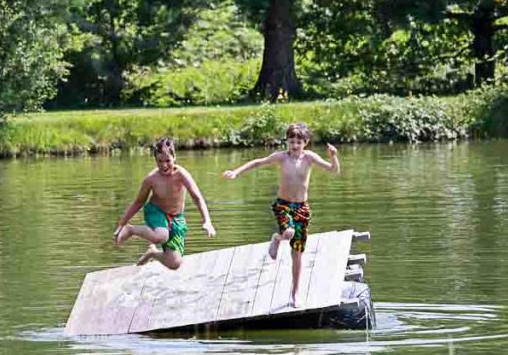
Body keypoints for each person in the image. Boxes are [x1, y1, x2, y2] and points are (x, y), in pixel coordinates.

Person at [222, 123, 340, 307]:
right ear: (287, 141)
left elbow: (333, 170)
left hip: (302, 208)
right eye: (291, 141)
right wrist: (236, 172)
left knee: (297, 253)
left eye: (299, 142)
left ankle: (295, 294)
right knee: (288, 233)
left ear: (305, 142)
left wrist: (334, 158)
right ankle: (277, 238)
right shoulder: (281, 157)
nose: (294, 145)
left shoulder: (309, 158)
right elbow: (257, 162)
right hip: (283, 205)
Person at [114, 138, 216, 269]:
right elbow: (138, 202)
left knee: (175, 263)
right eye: (159, 161)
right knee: (161, 236)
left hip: (176, 218)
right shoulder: (151, 179)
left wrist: (207, 221)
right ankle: (131, 229)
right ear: (155, 160)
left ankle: (153, 253)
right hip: (156, 212)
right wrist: (122, 225)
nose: (164, 165)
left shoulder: (182, 175)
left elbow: (197, 197)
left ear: (174, 157)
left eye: (168, 160)